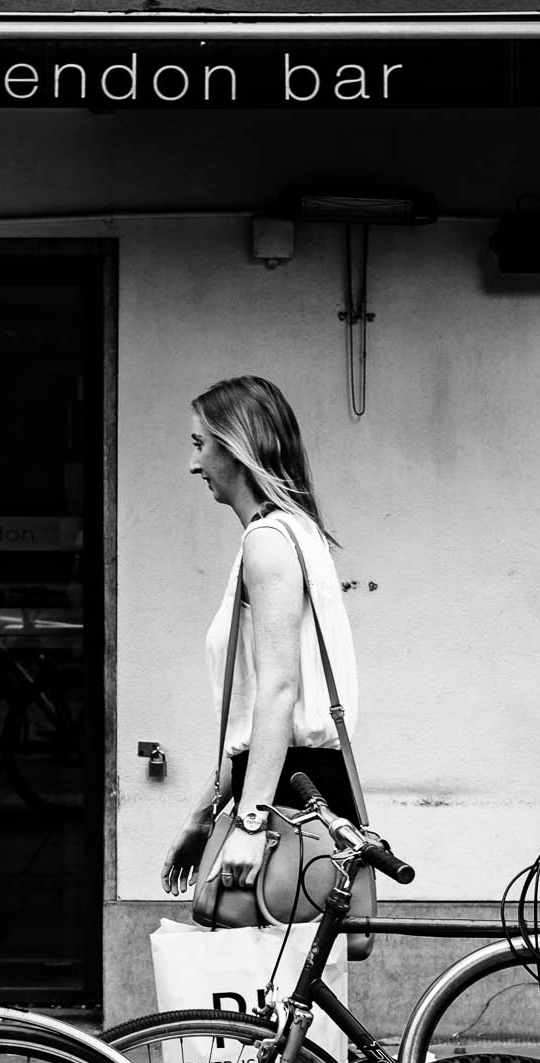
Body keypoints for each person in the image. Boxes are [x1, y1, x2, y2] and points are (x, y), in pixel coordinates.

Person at [160, 375, 362, 902]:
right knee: (279, 974)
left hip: (287, 797)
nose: (193, 464)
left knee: (270, 973)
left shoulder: (268, 542)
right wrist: (204, 813)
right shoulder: (293, 533)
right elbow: (252, 720)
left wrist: (250, 823)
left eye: (200, 445)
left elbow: (277, 691)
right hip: (292, 788)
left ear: (238, 448)